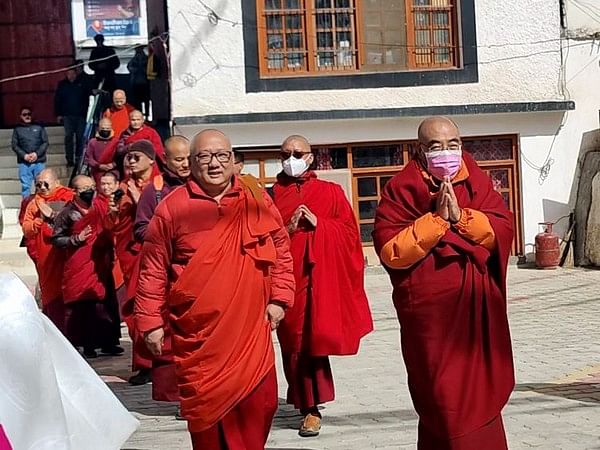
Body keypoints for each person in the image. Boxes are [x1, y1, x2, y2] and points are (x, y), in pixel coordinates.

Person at [135, 129, 295, 449]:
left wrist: (280, 298)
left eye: (221, 156)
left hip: (250, 327)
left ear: (233, 160)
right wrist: (149, 322)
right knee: (208, 418)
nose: (214, 164)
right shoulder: (172, 207)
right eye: (204, 157)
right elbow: (152, 268)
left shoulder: (255, 197)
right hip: (199, 334)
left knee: (260, 406)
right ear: (191, 164)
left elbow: (281, 249)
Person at [372, 116, 515, 449]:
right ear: (420, 151)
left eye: (453, 145)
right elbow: (392, 252)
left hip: (475, 312)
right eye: (436, 146)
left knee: (480, 392)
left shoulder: (477, 182)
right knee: (441, 397)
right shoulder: (401, 190)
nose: (446, 152)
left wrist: (462, 218)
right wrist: (436, 220)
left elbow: (501, 233)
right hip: (430, 317)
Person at [271, 135, 373, 437]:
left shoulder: (330, 192)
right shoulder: (271, 195)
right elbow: (263, 238)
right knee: (292, 344)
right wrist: (289, 227)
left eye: (298, 153)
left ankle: (311, 407)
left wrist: (320, 224)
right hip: (289, 280)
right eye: (286, 154)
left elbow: (350, 235)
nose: (292, 158)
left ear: (311, 157)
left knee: (314, 342)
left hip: (321, 278)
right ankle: (304, 401)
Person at [104, 139, 157, 385]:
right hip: (127, 256)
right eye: (128, 157)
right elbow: (114, 226)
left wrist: (139, 200)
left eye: (136, 157)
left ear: (151, 160)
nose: (131, 161)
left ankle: (155, 363)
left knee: (148, 307)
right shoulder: (123, 186)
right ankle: (144, 363)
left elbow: (160, 219)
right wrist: (114, 212)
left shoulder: (158, 185)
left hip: (150, 254)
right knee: (133, 308)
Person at [52, 175, 123, 358]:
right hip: (79, 262)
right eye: (84, 189)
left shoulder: (99, 206)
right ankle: (87, 345)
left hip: (100, 261)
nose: (89, 191)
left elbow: (108, 225)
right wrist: (77, 238)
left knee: (105, 304)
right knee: (83, 306)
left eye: (92, 186)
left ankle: (108, 341)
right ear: (74, 192)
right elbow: (56, 239)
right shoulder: (68, 213)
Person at [21, 169, 74, 329]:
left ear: (57, 183)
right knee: (51, 293)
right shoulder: (34, 202)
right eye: (38, 184)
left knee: (70, 289)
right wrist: (39, 221)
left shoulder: (68, 196)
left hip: (67, 250)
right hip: (46, 254)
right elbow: (27, 228)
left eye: (46, 183)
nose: (42, 187)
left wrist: (53, 215)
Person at [99, 110, 165, 177]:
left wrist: (164, 163)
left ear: (142, 120)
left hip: (147, 165)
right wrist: (130, 146)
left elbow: (158, 149)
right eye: (133, 120)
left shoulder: (151, 132)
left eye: (138, 120)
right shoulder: (125, 134)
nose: (136, 122)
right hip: (130, 164)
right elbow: (119, 150)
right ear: (129, 121)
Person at [54, 68, 90, 167]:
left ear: (76, 74)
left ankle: (79, 157)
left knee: (80, 137)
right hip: (67, 115)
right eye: (69, 74)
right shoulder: (62, 84)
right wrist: (58, 114)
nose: (71, 76)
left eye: (73, 73)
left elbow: (87, 99)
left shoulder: (82, 84)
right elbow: (58, 100)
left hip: (80, 115)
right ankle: (69, 159)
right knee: (68, 136)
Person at [11, 107, 49, 197]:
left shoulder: (39, 127)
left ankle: (40, 208)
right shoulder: (17, 129)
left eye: (29, 114)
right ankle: (26, 208)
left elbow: (45, 142)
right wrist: (24, 156)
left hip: (39, 161)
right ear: (21, 116)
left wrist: (36, 154)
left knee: (41, 186)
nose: (27, 116)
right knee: (25, 187)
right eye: (24, 115)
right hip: (24, 163)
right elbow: (14, 145)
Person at [85, 117, 117, 186]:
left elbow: (120, 157)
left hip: (113, 171)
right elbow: (88, 158)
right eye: (103, 128)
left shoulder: (116, 141)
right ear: (98, 128)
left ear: (111, 128)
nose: (105, 130)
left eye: (107, 128)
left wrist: (113, 164)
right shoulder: (92, 142)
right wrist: (99, 166)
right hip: (97, 172)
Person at [127, 46, 149, 113]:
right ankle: (139, 113)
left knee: (146, 100)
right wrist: (135, 70)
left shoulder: (147, 59)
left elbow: (149, 69)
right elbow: (129, 67)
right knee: (137, 100)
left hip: (145, 82)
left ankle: (147, 114)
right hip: (136, 82)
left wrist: (143, 70)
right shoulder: (133, 59)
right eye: (137, 50)